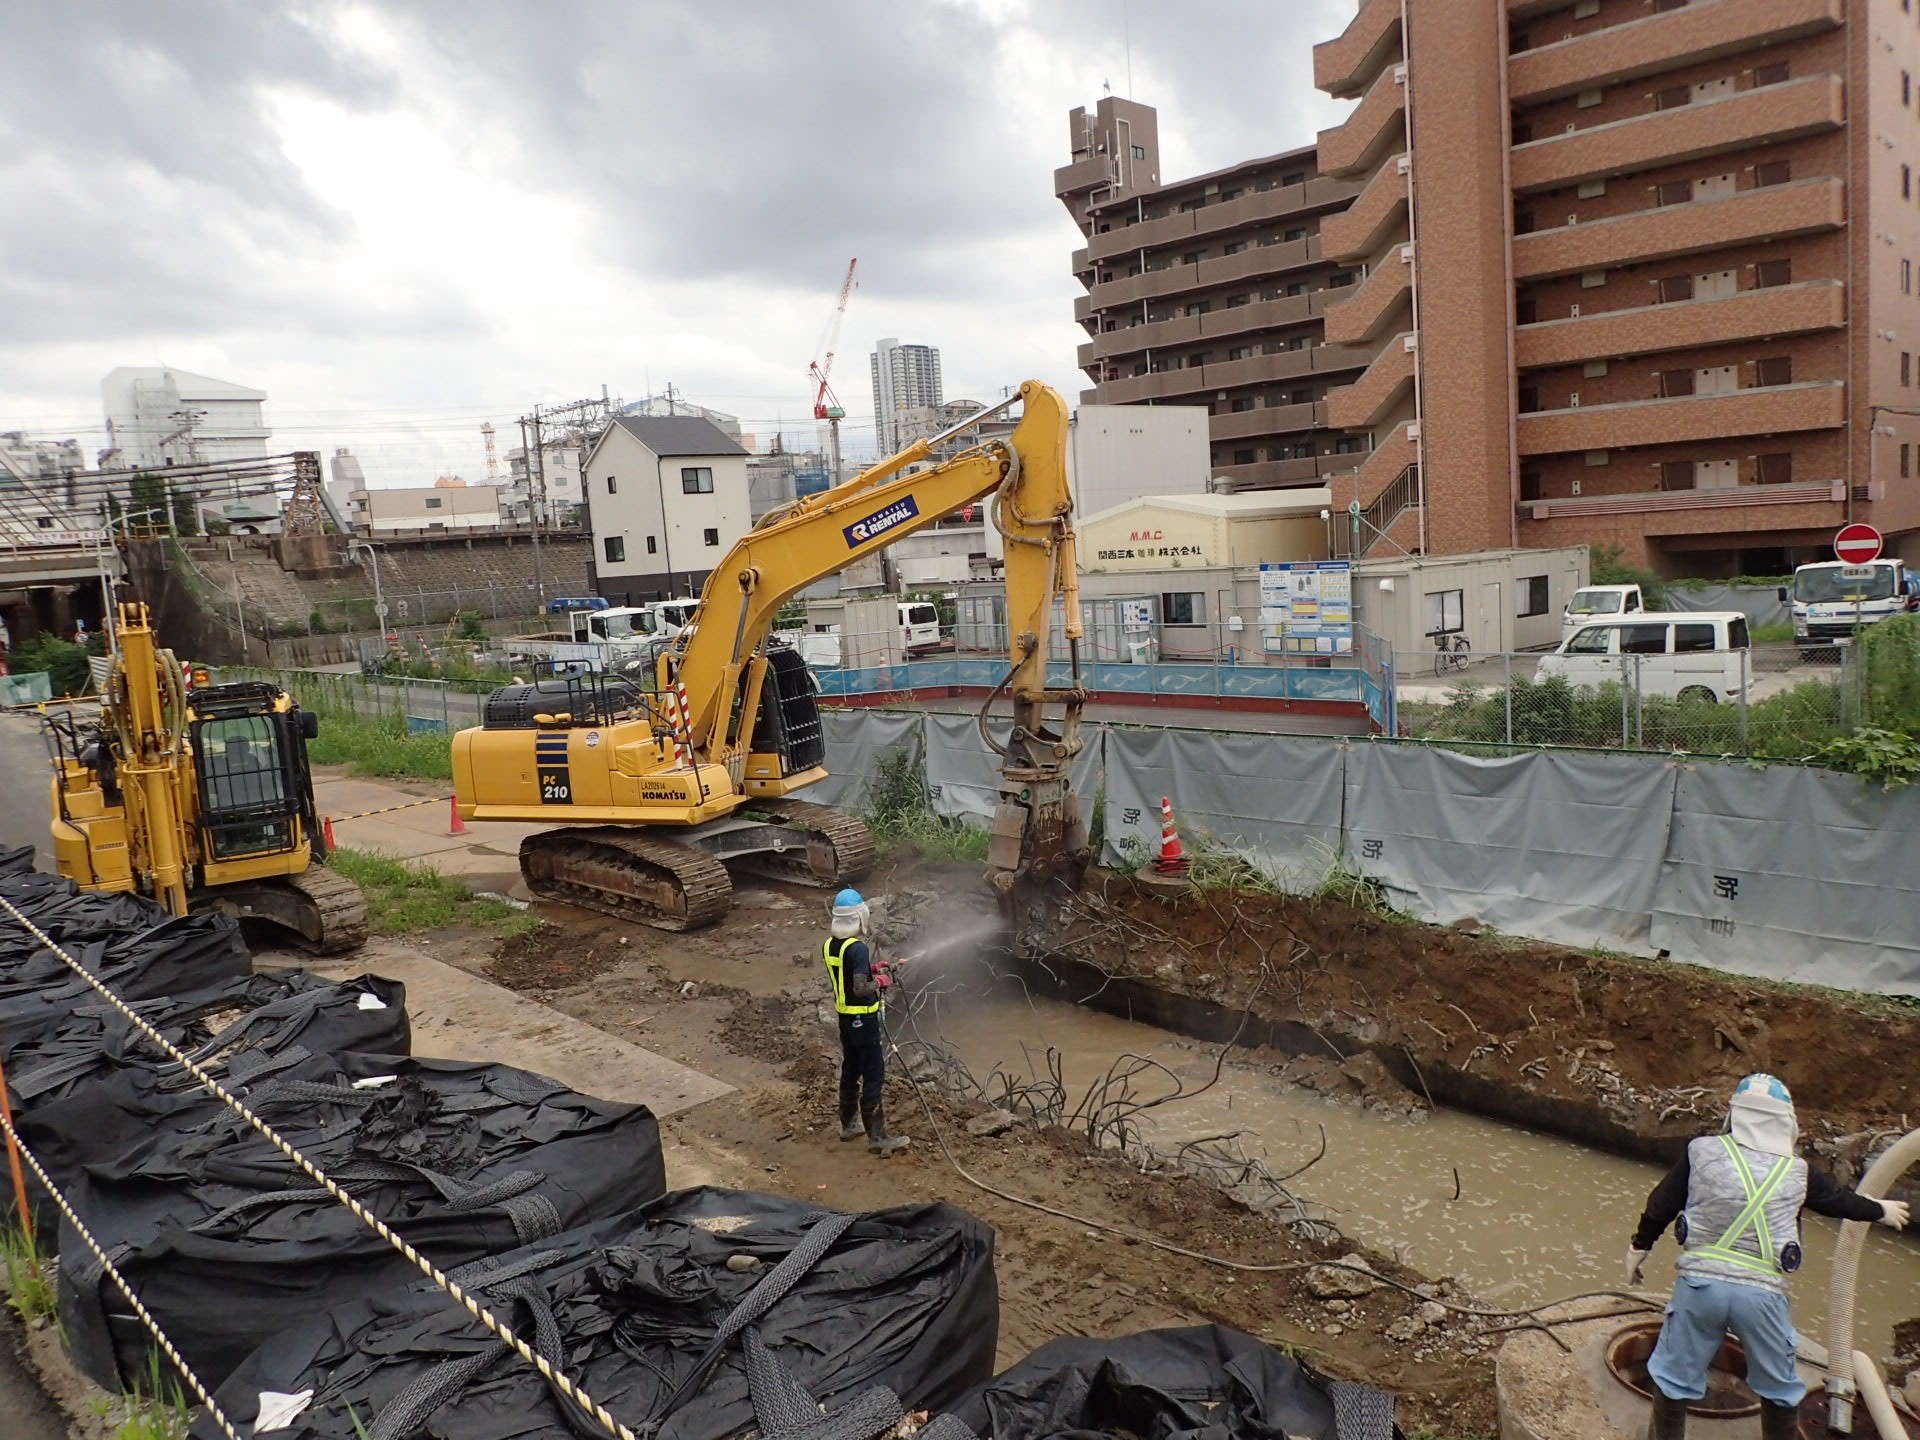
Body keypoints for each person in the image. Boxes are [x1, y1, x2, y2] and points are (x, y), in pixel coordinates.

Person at [1626, 1074, 1909, 1440]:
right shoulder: (1797, 1171)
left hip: (1700, 1287)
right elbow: (1840, 1201)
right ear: (1786, 1121)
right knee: (1780, 1388)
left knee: (1674, 1379)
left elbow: (1660, 1204)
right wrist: (1879, 1210)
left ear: (1735, 1114)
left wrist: (1639, 1245)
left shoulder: (1702, 1151)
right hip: (1762, 1296)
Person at [822, 888, 909, 1155]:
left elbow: (846, 975)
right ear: (860, 917)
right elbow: (860, 989)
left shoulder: (831, 944)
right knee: (873, 1073)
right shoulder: (858, 948)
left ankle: (848, 1125)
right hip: (863, 1018)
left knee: (850, 1069)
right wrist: (881, 981)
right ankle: (878, 1138)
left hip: (845, 1020)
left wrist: (874, 968)